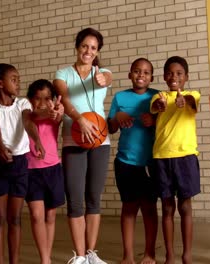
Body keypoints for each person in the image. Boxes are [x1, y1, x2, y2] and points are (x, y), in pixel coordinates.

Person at [53, 27, 112, 264]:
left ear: (98, 51)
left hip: (100, 139)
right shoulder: (63, 73)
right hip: (73, 138)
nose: (88, 51)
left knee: (93, 198)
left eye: (94, 48)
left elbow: (108, 78)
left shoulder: (102, 71)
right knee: (75, 198)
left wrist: (102, 78)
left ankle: (91, 254)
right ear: (77, 46)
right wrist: (80, 120)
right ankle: (79, 256)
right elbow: (64, 98)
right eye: (85, 46)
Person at [0, 63, 44, 264]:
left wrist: (37, 140)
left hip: (19, 164)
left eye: (18, 79)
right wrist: (0, 146)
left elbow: (27, 122)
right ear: (0, 83)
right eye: (13, 79)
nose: (18, 82)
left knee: (15, 218)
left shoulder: (22, 103)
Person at [150, 56, 200, 264]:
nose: (174, 77)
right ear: (164, 76)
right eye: (170, 73)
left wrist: (183, 100)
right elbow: (157, 106)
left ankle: (186, 254)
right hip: (162, 158)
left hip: (185, 157)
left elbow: (190, 102)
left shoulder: (192, 95)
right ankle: (170, 254)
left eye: (179, 73)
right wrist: (162, 103)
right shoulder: (159, 96)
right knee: (168, 207)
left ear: (186, 77)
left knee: (185, 207)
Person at [107, 58, 158, 264]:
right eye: (137, 71)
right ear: (130, 75)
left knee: (149, 208)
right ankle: (128, 255)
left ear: (151, 77)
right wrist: (117, 117)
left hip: (150, 163)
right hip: (125, 162)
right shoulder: (120, 97)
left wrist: (154, 121)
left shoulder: (157, 97)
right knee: (129, 208)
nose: (141, 75)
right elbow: (110, 128)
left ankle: (149, 254)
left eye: (146, 72)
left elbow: (168, 125)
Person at [25, 79, 65, 264]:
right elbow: (35, 115)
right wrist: (46, 110)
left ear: (54, 99)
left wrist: (57, 110)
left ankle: (46, 257)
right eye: (38, 98)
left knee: (50, 215)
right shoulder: (27, 114)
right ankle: (45, 259)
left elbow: (56, 116)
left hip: (52, 169)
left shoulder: (55, 113)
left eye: (47, 98)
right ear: (30, 99)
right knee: (36, 215)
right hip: (31, 171)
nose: (42, 102)